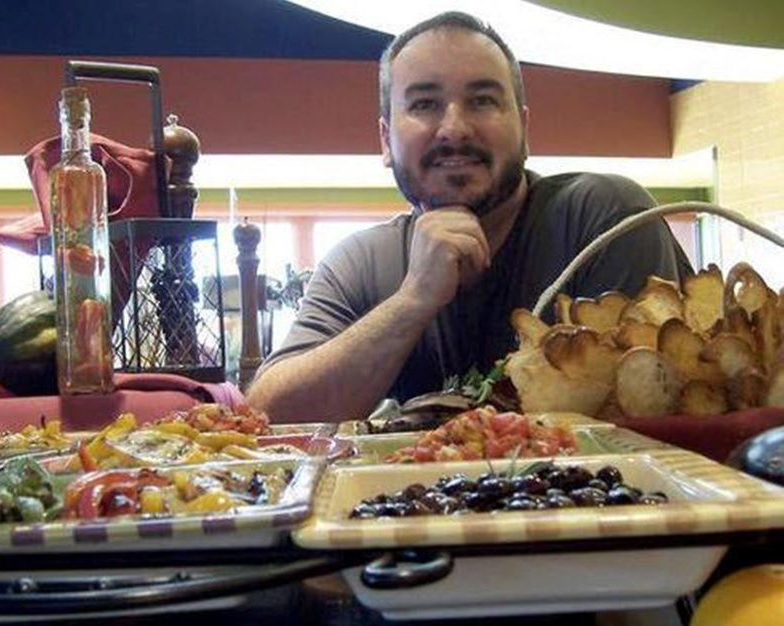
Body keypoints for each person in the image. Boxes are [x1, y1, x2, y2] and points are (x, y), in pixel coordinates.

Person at [246, 11, 692, 422]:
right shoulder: (361, 263)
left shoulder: (605, 219)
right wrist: (412, 300)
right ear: (385, 140)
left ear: (524, 129)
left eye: (482, 101)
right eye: (424, 104)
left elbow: (647, 427)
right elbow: (268, 414)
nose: (454, 129)